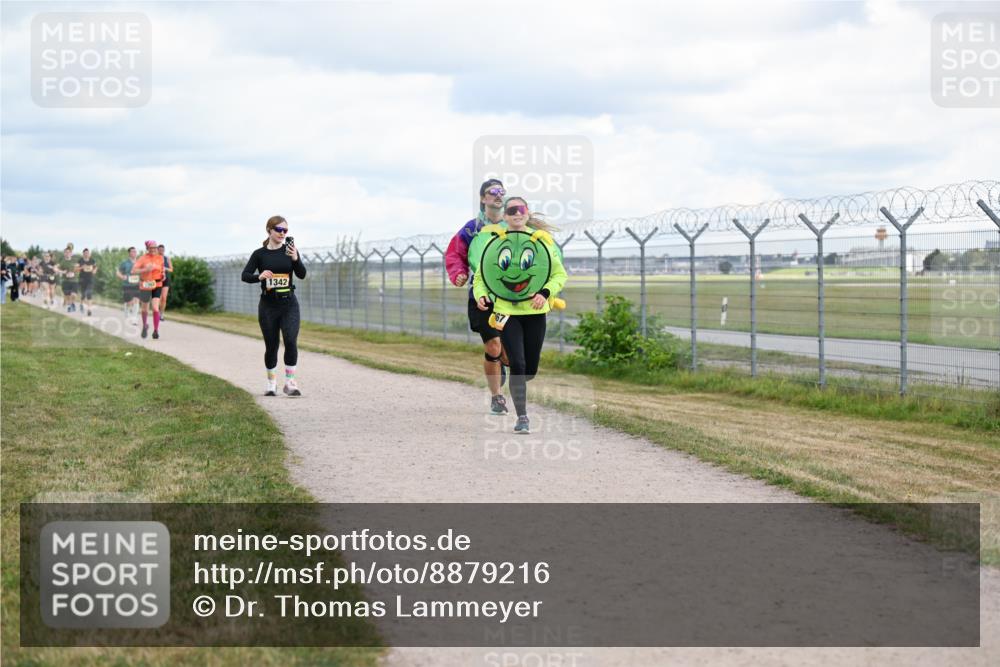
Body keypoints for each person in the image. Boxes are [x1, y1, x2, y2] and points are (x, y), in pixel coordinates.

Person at [472, 197, 567, 434]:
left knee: (529, 369)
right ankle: (522, 417)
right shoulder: (494, 242)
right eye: (511, 210)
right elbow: (482, 276)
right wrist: (481, 295)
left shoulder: (542, 242)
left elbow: (559, 275)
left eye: (520, 209)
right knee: (519, 363)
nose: (516, 213)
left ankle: (512, 366)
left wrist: (545, 293)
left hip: (535, 312)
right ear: (504, 216)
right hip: (506, 311)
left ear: (527, 213)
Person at [446, 178, 510, 415]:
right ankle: (497, 397)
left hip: (510, 298)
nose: (498, 194)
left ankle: (503, 361)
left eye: (502, 191)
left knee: (508, 353)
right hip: (481, 296)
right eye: (493, 191)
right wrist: (459, 273)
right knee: (493, 345)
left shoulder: (513, 225)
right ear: (483, 198)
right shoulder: (472, 229)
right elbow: (455, 253)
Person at [241, 216, 307, 397]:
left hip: (289, 304)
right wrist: (259, 276)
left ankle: (290, 382)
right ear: (269, 230)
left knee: (290, 340)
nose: (283, 233)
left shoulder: (290, 251)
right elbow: (245, 275)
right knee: (271, 346)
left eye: (285, 230)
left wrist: (295, 259)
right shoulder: (259, 254)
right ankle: (271, 383)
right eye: (279, 230)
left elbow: (302, 274)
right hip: (268, 306)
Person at [131, 241, 165, 339]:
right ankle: (145, 325)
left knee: (155, 308)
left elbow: (162, 269)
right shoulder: (143, 258)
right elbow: (133, 271)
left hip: (157, 284)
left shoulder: (160, 258)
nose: (153, 249)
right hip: (145, 284)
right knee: (145, 308)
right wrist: (145, 270)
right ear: (147, 248)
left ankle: (156, 330)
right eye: (151, 248)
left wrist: (163, 274)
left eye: (155, 247)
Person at [116, 247, 140, 324]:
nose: (134, 253)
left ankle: (134, 318)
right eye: (132, 251)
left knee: (136, 300)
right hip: (127, 284)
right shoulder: (125, 263)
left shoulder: (139, 262)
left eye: (135, 251)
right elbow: (118, 272)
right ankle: (127, 311)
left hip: (137, 284)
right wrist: (122, 276)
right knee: (129, 302)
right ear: (129, 253)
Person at [57, 246, 79, 312]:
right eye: (66, 252)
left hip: (74, 281)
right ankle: (69, 305)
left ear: (71, 253)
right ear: (64, 253)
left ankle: (71, 305)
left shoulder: (75, 260)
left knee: (74, 295)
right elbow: (55, 268)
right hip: (65, 281)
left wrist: (73, 273)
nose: (67, 253)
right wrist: (62, 272)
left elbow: (78, 268)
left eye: (69, 252)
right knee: (67, 296)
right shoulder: (62, 262)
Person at [77, 248, 97, 316]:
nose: (86, 254)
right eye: (85, 253)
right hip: (82, 279)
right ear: (83, 254)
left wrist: (94, 271)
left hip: (90, 279)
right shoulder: (80, 260)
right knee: (83, 294)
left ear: (89, 254)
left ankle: (89, 310)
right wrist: (81, 267)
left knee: (89, 293)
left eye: (88, 253)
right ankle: (81, 304)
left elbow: (95, 267)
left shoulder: (92, 260)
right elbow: (76, 269)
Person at [157, 244, 172, 320]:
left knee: (164, 298)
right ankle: (156, 312)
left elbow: (171, 269)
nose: (161, 251)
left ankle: (161, 314)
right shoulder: (155, 258)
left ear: (164, 250)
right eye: (160, 250)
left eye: (162, 250)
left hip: (166, 279)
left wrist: (165, 268)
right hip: (157, 279)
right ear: (157, 250)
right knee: (158, 297)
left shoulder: (167, 258)